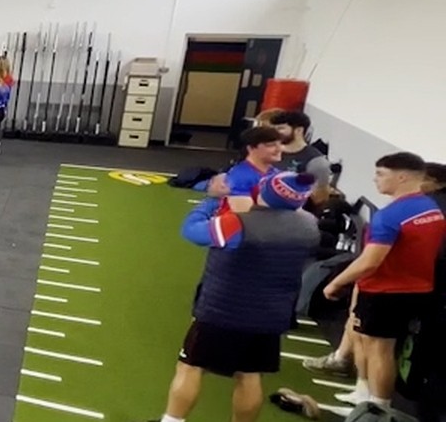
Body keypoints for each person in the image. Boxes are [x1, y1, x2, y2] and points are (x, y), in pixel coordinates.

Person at [156, 172, 320, 422]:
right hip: (270, 315)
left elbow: (191, 232)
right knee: (250, 374)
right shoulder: (308, 224)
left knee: (190, 366)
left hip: (222, 312)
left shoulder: (238, 224)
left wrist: (211, 202)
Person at [321, 152, 445, 406]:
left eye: (380, 174)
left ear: (401, 177)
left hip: (386, 291)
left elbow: (370, 261)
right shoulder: (430, 208)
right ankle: (364, 394)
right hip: (415, 288)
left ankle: (378, 406)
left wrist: (336, 282)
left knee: (381, 350)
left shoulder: (390, 216)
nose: (375, 179)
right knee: (367, 341)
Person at [197, 127, 287, 213]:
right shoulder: (240, 177)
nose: (279, 149)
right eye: (271, 145)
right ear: (251, 148)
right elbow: (245, 216)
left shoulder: (277, 174)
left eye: (280, 144)